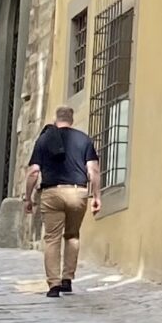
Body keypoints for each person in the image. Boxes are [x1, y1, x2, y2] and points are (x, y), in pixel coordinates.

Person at [22, 106, 100, 297]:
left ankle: (54, 285)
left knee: (52, 239)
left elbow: (33, 172)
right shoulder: (84, 139)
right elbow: (93, 171)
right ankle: (67, 278)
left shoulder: (44, 139)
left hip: (52, 193)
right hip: (77, 193)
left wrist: (28, 197)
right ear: (71, 120)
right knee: (72, 235)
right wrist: (96, 196)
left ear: (56, 119)